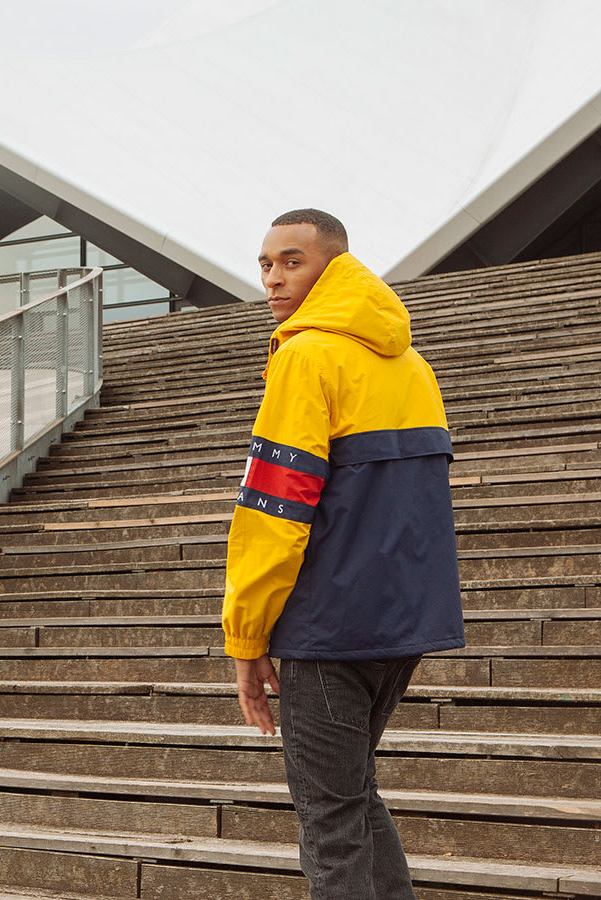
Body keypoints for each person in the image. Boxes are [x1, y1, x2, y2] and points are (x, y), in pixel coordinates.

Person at [223, 208, 464, 899]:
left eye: (292, 261)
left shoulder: (305, 355)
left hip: (329, 625)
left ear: (335, 263)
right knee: (352, 797)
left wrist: (246, 636)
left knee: (329, 822)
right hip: (403, 623)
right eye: (266, 263)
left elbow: (275, 507)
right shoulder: (410, 362)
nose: (272, 278)